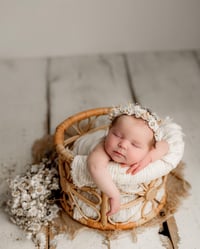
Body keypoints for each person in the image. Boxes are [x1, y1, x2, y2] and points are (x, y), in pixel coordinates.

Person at [87, 103, 169, 216]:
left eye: (135, 145)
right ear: (109, 130)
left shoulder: (149, 149)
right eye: (117, 135)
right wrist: (114, 194)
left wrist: (149, 158)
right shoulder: (102, 149)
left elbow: (165, 146)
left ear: (148, 149)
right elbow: (95, 167)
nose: (123, 145)